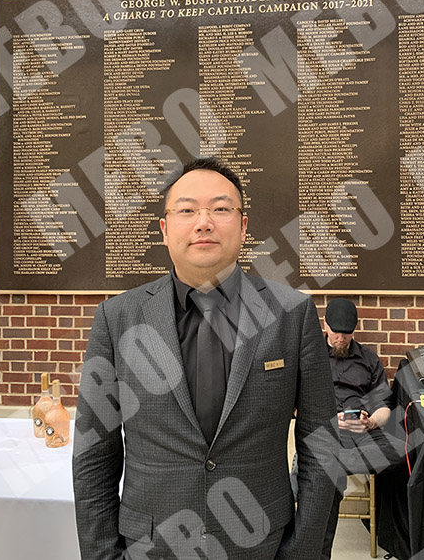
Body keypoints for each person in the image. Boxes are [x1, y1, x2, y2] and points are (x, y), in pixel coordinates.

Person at [73, 157, 337, 560]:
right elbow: (94, 453)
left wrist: (303, 551)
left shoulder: (292, 314)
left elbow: (322, 445)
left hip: (262, 545)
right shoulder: (117, 318)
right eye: (186, 210)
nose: (203, 222)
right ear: (164, 230)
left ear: (243, 226)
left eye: (220, 208)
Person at [321, 298, 402, 560]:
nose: (341, 339)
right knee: (328, 482)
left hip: (363, 430)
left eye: (346, 334)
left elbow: (384, 407)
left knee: (399, 453)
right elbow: (296, 406)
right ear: (325, 325)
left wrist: (371, 422)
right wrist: (332, 420)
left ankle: (332, 463)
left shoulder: (368, 360)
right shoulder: (311, 358)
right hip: (326, 430)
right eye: (336, 333)